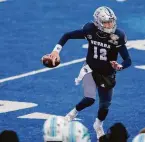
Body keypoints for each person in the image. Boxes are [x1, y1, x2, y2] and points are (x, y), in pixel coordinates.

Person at [48, 6, 132, 139]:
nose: (109, 24)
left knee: (105, 105)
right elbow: (67, 35)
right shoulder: (90, 30)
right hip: (90, 69)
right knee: (90, 98)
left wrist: (120, 66)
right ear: (98, 22)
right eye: (106, 22)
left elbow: (128, 59)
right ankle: (69, 116)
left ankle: (98, 125)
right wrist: (56, 50)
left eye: (111, 21)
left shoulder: (118, 36)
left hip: (107, 74)